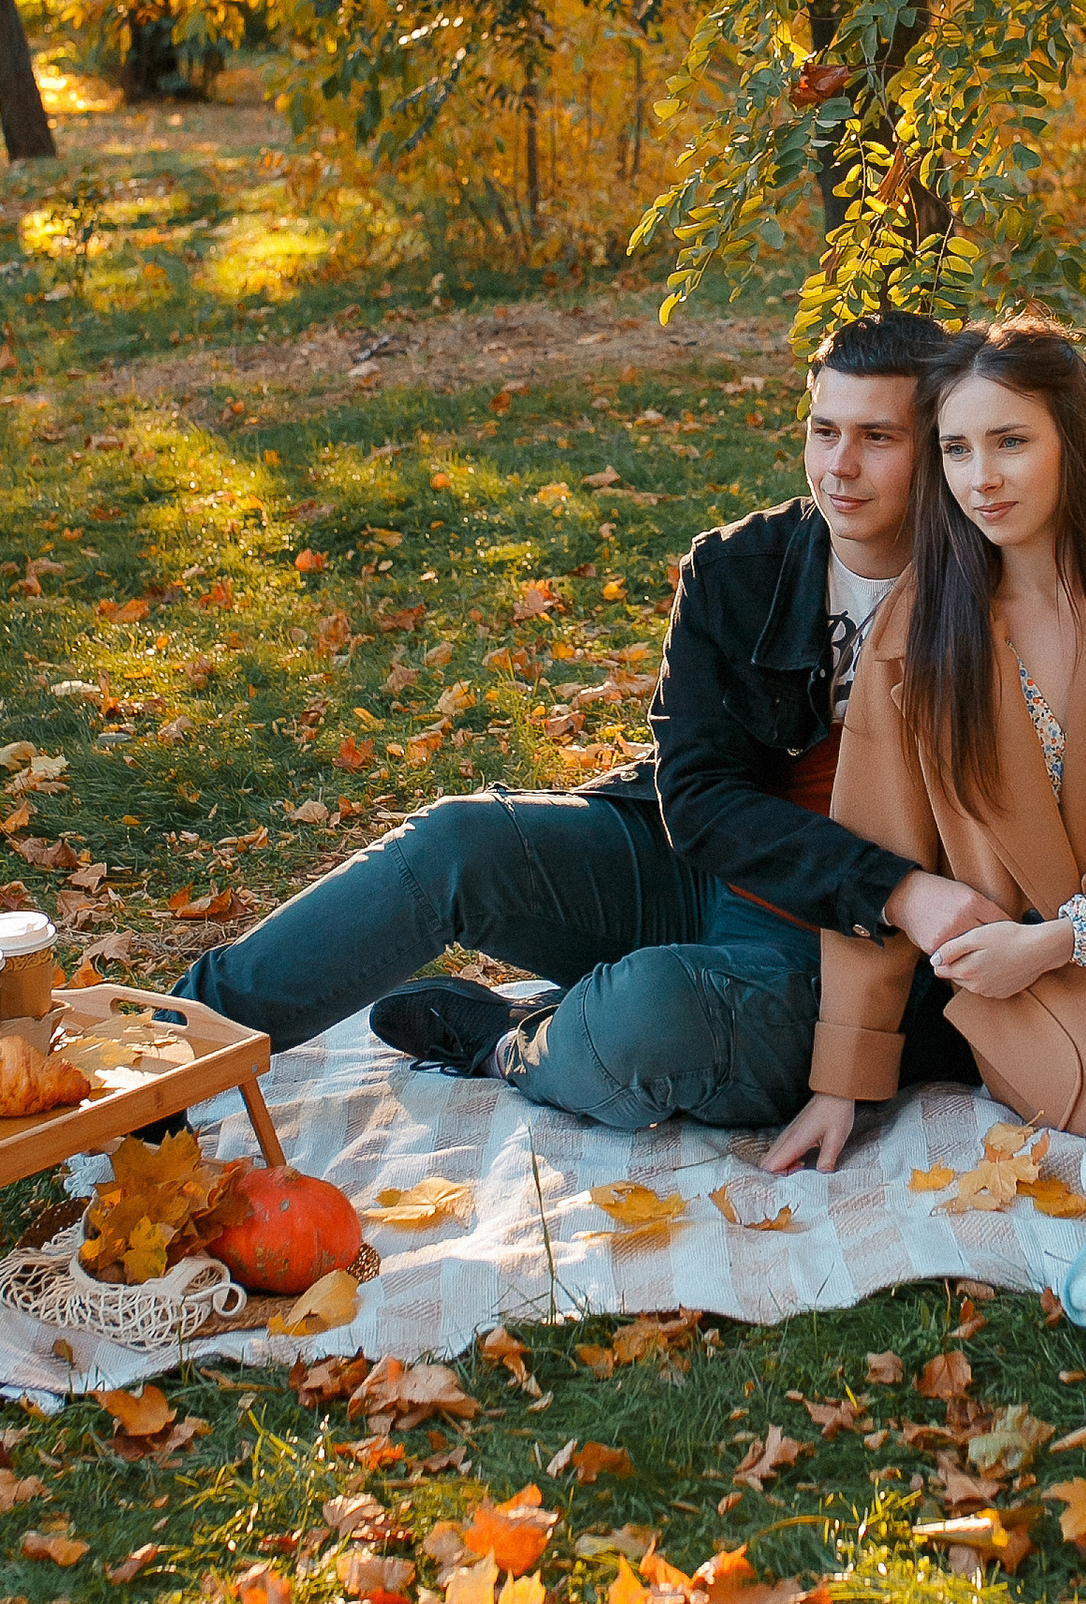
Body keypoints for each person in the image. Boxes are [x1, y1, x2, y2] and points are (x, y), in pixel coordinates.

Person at [171, 311, 987, 1132]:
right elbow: (698, 799)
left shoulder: (995, 594)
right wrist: (894, 886)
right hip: (688, 864)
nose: (839, 467)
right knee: (455, 843)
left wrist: (895, 904)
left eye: (878, 437)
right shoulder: (737, 568)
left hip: (841, 951)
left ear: (942, 447)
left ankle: (512, 1042)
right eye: (823, 431)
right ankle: (164, 1050)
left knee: (649, 1017)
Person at [765, 316, 1086, 1173]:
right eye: (957, 450)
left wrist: (1070, 933)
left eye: (1010, 442)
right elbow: (877, 857)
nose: (983, 479)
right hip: (1027, 991)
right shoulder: (917, 636)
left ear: (1072, 442)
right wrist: (842, 1079)